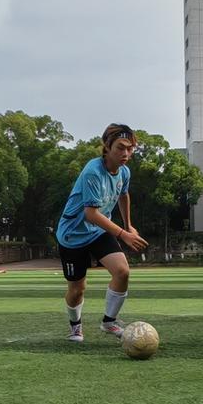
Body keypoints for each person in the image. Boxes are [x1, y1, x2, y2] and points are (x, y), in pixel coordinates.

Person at [55, 124, 148, 342]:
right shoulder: (93, 172)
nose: (126, 154)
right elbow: (90, 214)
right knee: (77, 289)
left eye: (130, 148)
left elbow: (123, 195)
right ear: (107, 147)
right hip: (73, 235)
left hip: (98, 230)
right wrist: (123, 234)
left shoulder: (124, 171)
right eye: (120, 148)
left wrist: (128, 225)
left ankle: (109, 322)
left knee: (122, 271)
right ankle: (75, 327)